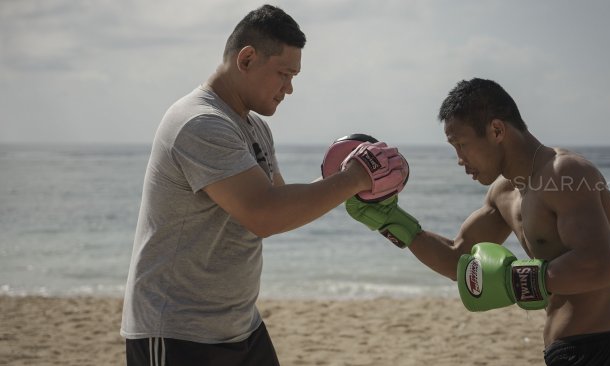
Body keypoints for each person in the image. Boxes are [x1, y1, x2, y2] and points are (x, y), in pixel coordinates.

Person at [120, 5, 408, 366]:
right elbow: (264, 215)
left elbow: (281, 206)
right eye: (284, 74)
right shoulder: (199, 122)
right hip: (177, 331)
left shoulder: (254, 127)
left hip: (240, 325)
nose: (289, 88)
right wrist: (354, 177)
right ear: (247, 58)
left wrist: (349, 184)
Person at [345, 78, 610, 365]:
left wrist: (515, 280)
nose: (459, 159)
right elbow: (456, 259)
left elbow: (601, 266)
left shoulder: (565, 173)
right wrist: (392, 221)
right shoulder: (504, 193)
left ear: (497, 130)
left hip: (599, 352)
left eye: (461, 144)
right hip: (560, 353)